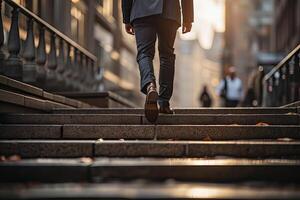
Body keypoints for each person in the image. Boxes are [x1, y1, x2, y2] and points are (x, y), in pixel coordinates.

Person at [122, 0, 194, 123]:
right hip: (169, 10)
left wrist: (127, 17)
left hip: (142, 10)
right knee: (167, 56)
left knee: (144, 53)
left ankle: (150, 85)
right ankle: (164, 103)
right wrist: (188, 17)